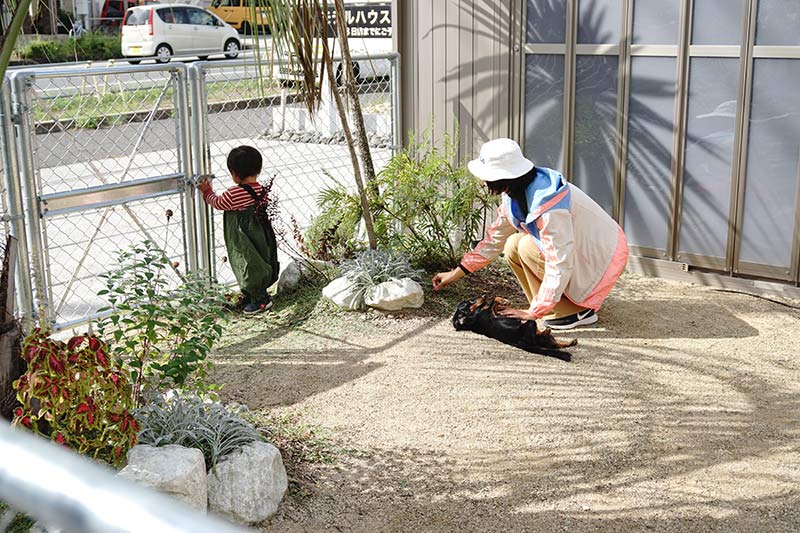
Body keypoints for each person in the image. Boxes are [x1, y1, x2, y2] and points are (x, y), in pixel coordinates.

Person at [432, 138, 629, 330]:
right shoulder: (514, 192)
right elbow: (494, 240)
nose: (483, 180)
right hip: (583, 249)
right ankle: (557, 308)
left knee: (526, 246)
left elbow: (560, 259)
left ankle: (577, 312)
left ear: (502, 177)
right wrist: (455, 273)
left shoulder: (549, 204)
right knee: (513, 244)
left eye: (486, 176)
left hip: (604, 255)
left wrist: (534, 312)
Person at [198, 145, 279, 314]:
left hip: (243, 236)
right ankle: (255, 293)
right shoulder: (261, 189)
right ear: (258, 169)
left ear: (234, 174)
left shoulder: (234, 193)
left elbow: (218, 203)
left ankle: (261, 300)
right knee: (259, 259)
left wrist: (207, 192)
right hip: (261, 232)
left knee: (247, 261)